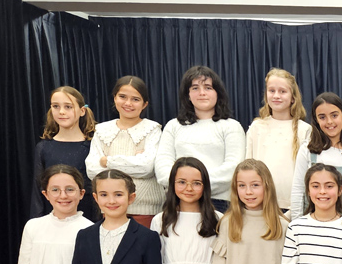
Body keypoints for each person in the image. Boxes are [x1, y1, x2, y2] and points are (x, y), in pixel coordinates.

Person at [155, 66, 246, 213]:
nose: (202, 93)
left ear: (218, 93)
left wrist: (196, 186)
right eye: (195, 88)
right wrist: (185, 188)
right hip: (178, 201)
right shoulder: (173, 126)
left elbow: (233, 168)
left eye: (208, 87)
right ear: (188, 95)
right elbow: (162, 165)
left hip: (218, 202)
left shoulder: (231, 126)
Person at [86, 76, 163, 227]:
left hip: (146, 211)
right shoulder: (101, 130)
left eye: (135, 99)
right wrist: (132, 161)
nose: (128, 103)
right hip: (109, 208)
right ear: (115, 98)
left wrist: (108, 161)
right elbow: (92, 170)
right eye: (122, 97)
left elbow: (147, 167)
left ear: (144, 104)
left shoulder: (153, 130)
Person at [246, 68, 314, 212]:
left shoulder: (305, 130)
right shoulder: (257, 127)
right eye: (271, 91)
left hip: (294, 207)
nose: (276, 96)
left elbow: (308, 174)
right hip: (261, 205)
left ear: (293, 97)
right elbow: (247, 167)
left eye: (282, 91)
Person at [32, 86, 98, 221]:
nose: (61, 112)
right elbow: (38, 190)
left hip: (88, 217)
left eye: (68, 107)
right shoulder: (43, 147)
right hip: (53, 218)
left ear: (82, 111)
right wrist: (36, 221)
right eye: (56, 106)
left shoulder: (93, 146)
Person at [291, 92, 342, 216]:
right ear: (316, 120)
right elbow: (298, 190)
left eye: (334, 115)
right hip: (311, 223)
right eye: (322, 117)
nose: (329, 122)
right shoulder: (307, 150)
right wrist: (296, 223)